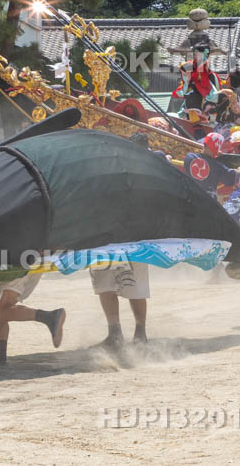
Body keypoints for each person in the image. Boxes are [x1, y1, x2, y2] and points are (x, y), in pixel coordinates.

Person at [89, 131, 155, 351]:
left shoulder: (147, 170)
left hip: (118, 234)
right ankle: (131, 333)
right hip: (121, 234)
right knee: (115, 283)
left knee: (113, 283)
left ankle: (129, 333)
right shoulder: (120, 167)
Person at [0, 272, 66, 365]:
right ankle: (0, 352)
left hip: (17, 266)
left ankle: (49, 317)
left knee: (1, 309)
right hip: (17, 264)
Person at [183, 132, 238, 201]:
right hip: (208, 202)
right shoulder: (217, 166)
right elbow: (230, 179)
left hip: (189, 198)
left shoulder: (189, 157)